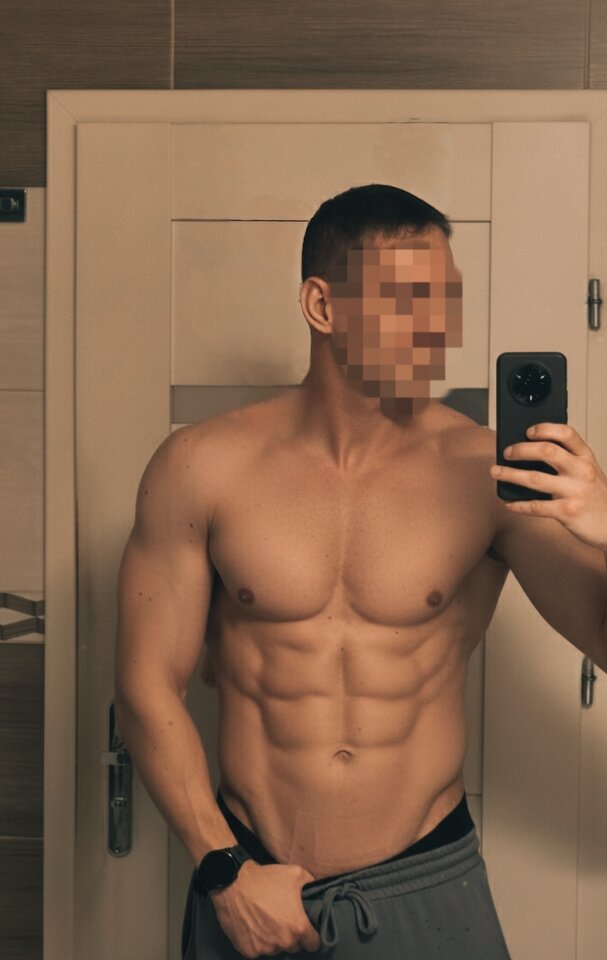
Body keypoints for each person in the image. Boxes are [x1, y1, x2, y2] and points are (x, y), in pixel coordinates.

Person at [114, 183, 516, 959]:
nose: (437, 325)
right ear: (323, 305)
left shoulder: (484, 470)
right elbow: (144, 686)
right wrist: (223, 871)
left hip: (427, 880)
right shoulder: (201, 465)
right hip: (249, 887)